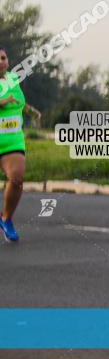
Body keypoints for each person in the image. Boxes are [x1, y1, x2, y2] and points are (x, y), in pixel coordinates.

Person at [0, 46, 42, 242]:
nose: (1, 61)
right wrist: (3, 100)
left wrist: (31, 111)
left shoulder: (13, 79)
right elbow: (8, 99)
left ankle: (6, 218)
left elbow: (18, 101)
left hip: (12, 139)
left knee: (17, 179)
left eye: (3, 58)